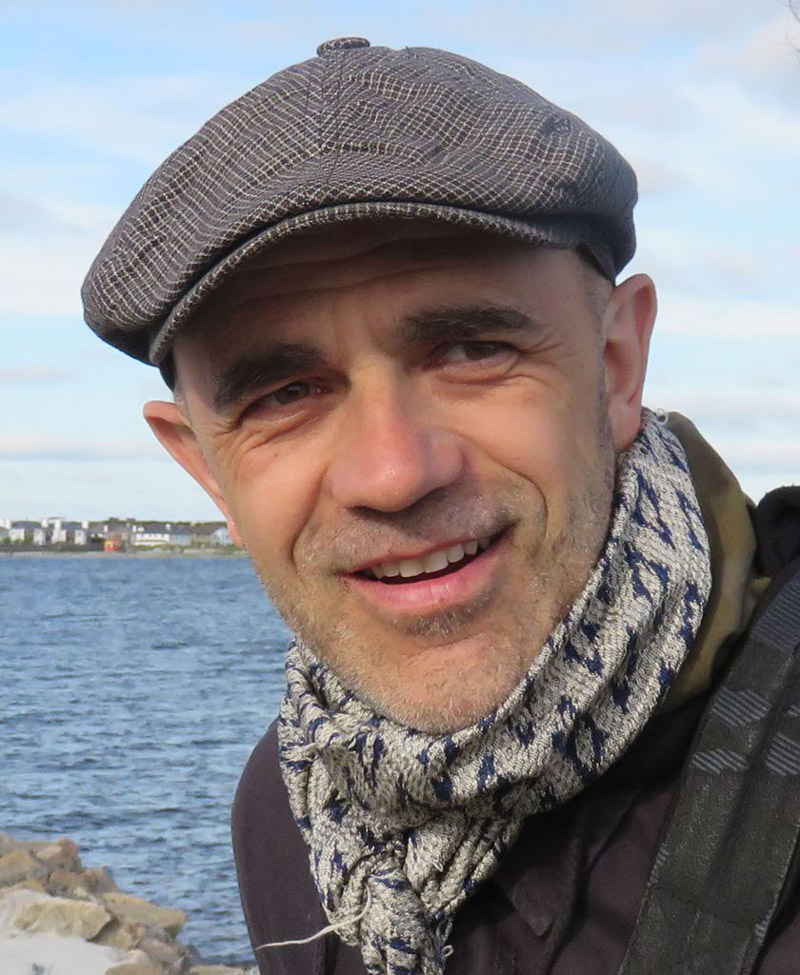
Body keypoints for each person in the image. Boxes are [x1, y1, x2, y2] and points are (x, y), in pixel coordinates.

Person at [82, 38, 800, 975]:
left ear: (617, 365)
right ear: (206, 468)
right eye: (285, 395)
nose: (392, 474)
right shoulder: (290, 812)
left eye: (470, 349)